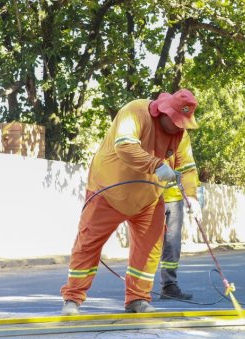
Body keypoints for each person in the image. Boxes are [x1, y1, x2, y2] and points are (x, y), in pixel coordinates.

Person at [60, 90, 202, 315]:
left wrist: (192, 196)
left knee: (149, 250)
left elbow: (186, 167)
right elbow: (125, 146)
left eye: (182, 123)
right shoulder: (135, 112)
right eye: (174, 120)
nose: (177, 127)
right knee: (87, 245)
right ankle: (72, 300)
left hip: (148, 198)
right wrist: (156, 165)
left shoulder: (180, 134)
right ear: (163, 111)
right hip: (108, 191)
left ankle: (137, 299)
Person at [157, 151, 203, 301]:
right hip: (150, 196)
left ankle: (169, 285)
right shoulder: (149, 130)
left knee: (172, 244)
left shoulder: (182, 137)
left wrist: (192, 197)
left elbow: (188, 168)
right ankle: (137, 293)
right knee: (147, 244)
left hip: (174, 198)